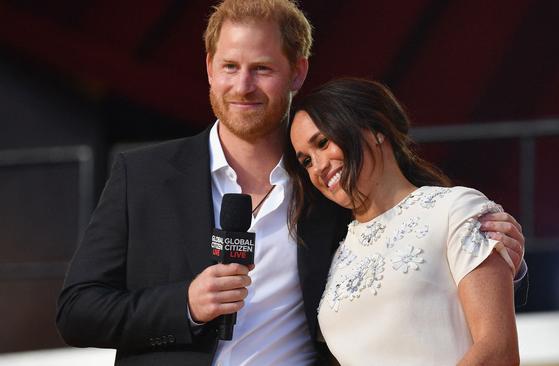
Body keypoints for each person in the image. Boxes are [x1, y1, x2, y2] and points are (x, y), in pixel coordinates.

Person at [56, 1, 526, 365]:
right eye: (230, 67)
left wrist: (495, 254)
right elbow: (77, 311)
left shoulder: (331, 182)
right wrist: (184, 305)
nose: (243, 87)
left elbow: (409, 237)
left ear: (296, 71)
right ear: (209, 68)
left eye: (261, 68)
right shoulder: (143, 176)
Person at [286, 77, 520, 365]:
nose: (318, 166)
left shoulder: (455, 209)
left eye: (323, 143)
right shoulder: (332, 255)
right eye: (306, 161)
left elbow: (498, 352)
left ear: (375, 130)